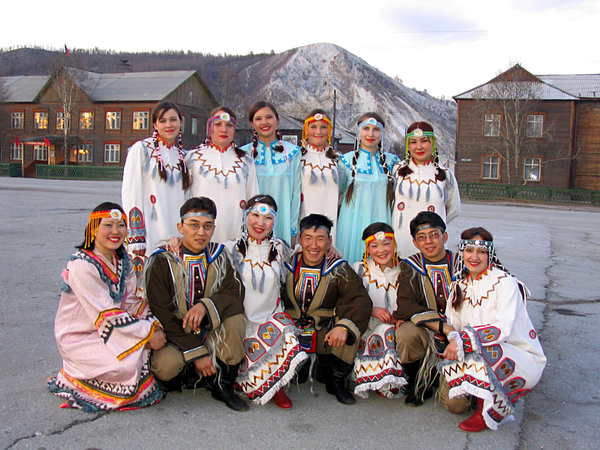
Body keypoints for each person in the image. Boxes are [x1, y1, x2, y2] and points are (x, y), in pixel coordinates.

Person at [48, 202, 166, 411]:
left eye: (120, 225)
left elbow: (131, 302)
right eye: (108, 225)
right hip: (80, 335)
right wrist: (146, 334)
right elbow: (106, 314)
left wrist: (152, 324)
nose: (115, 231)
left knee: (137, 353)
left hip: (110, 330)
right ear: (93, 229)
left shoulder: (124, 261)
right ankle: (72, 373)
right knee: (125, 365)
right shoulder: (82, 265)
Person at [144, 197, 249, 412]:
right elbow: (160, 311)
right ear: (180, 227)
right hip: (176, 333)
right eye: (194, 225)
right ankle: (187, 373)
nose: (201, 232)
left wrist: (206, 305)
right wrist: (197, 352)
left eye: (207, 226)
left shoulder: (220, 256)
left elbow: (235, 292)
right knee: (166, 367)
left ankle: (223, 385)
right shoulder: (163, 259)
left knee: (236, 320)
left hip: (211, 329)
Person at [439, 227, 546, 432]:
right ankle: (478, 391)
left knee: (483, 350)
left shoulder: (505, 283)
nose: (475, 257)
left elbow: (502, 328)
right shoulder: (459, 285)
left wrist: (462, 340)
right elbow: (456, 325)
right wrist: (454, 339)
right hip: (477, 350)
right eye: (469, 250)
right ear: (462, 252)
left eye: (481, 252)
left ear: (490, 253)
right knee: (454, 405)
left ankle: (487, 412)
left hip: (515, 354)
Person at [225, 195, 307, 408]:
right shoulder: (230, 248)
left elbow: (310, 254)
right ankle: (249, 380)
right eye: (255, 215)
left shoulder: (281, 249)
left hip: (271, 320)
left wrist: (330, 251)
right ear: (246, 216)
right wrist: (174, 240)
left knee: (286, 332)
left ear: (274, 222)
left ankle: (276, 386)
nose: (260, 223)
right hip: (241, 322)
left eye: (268, 218)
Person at [281, 214, 372, 405]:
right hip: (290, 332)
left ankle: (337, 380)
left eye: (320, 239)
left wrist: (344, 326)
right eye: (308, 238)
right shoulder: (285, 265)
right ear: (299, 239)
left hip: (324, 332)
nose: (313, 245)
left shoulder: (338, 267)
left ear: (329, 241)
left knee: (349, 326)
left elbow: (359, 299)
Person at [393, 211, 469, 412]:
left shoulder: (464, 263)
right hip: (431, 332)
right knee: (406, 332)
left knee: (457, 405)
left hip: (466, 335)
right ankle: (421, 380)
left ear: (445, 236)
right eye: (422, 237)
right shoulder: (411, 266)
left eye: (434, 234)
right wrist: (444, 327)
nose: (429, 241)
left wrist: (457, 333)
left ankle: (462, 379)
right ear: (415, 242)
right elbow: (405, 304)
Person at [121, 101, 190, 274]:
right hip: (150, 229)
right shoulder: (142, 149)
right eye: (163, 120)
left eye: (173, 120)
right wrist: (136, 236)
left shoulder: (184, 156)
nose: (169, 125)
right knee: (148, 282)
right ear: (155, 124)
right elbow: (131, 191)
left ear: (181, 123)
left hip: (177, 230)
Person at [186, 107, 259, 243]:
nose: (224, 130)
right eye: (218, 124)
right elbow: (183, 198)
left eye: (229, 125)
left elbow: (253, 199)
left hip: (236, 234)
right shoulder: (193, 158)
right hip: (200, 234)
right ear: (209, 128)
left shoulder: (246, 161)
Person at [351, 223, 405, 398]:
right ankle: (371, 373)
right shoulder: (358, 269)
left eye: (386, 244)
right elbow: (348, 300)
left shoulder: (405, 270)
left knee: (390, 330)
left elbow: (413, 301)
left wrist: (401, 316)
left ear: (394, 244)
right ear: (367, 248)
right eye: (374, 246)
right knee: (382, 329)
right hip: (368, 326)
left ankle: (388, 376)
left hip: (396, 327)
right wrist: (371, 309)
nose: (381, 250)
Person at [337, 112, 399, 265]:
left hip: (382, 223)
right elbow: (336, 196)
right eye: (366, 128)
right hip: (352, 226)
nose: (370, 134)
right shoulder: (345, 161)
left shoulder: (393, 162)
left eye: (376, 130)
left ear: (382, 134)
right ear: (359, 132)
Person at [392, 121, 460, 258]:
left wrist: (434, 223)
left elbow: (454, 209)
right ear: (408, 145)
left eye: (424, 141)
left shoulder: (444, 174)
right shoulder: (397, 170)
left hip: (431, 243)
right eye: (413, 142)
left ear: (432, 143)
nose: (419, 147)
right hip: (400, 239)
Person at [241, 101, 302, 246]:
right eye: (258, 118)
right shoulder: (243, 154)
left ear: (277, 120)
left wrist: (293, 231)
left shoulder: (293, 153)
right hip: (253, 226)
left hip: (284, 224)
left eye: (269, 117)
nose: (264, 122)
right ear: (252, 123)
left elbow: (296, 194)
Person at [299, 109, 342, 244]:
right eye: (313, 127)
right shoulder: (297, 158)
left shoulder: (338, 160)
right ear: (305, 130)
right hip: (304, 221)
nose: (318, 132)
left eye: (323, 127)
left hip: (332, 225)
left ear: (329, 131)